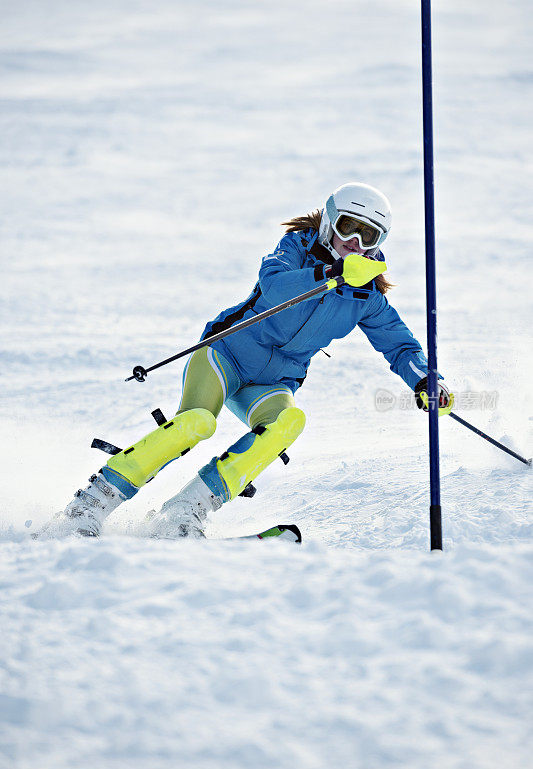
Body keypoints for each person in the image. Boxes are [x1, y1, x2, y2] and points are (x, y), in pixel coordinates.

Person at [58, 182, 453, 538]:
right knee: (197, 422)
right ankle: (91, 503)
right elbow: (275, 286)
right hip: (224, 355)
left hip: (273, 382)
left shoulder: (366, 295)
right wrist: (330, 272)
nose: (354, 240)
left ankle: (186, 511)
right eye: (348, 226)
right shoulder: (296, 249)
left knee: (288, 422)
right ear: (330, 222)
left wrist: (424, 380)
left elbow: (399, 345)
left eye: (368, 235)